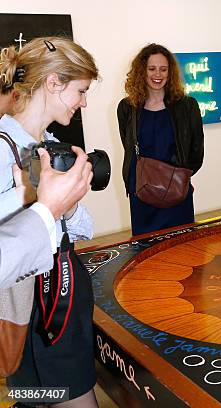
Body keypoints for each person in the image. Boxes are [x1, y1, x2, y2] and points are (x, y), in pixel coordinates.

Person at [0, 36, 99, 407]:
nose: (84, 102)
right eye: (81, 90)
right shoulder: (2, 145)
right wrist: (31, 198)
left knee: (34, 399)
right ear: (53, 83)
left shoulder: (50, 142)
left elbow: (81, 227)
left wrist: (67, 203)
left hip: (61, 295)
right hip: (37, 309)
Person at [117, 43, 204, 236]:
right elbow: (129, 147)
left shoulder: (187, 106)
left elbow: (196, 153)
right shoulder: (127, 107)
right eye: (152, 69)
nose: (158, 74)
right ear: (142, 71)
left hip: (176, 193)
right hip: (142, 193)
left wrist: (176, 178)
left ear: (170, 72)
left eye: (163, 69)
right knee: (145, 251)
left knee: (182, 246)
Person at [0, 147, 92, 289]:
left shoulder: (53, 145)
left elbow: (84, 232)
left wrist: (67, 202)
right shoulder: (5, 151)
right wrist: (26, 198)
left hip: (49, 290)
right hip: (17, 296)